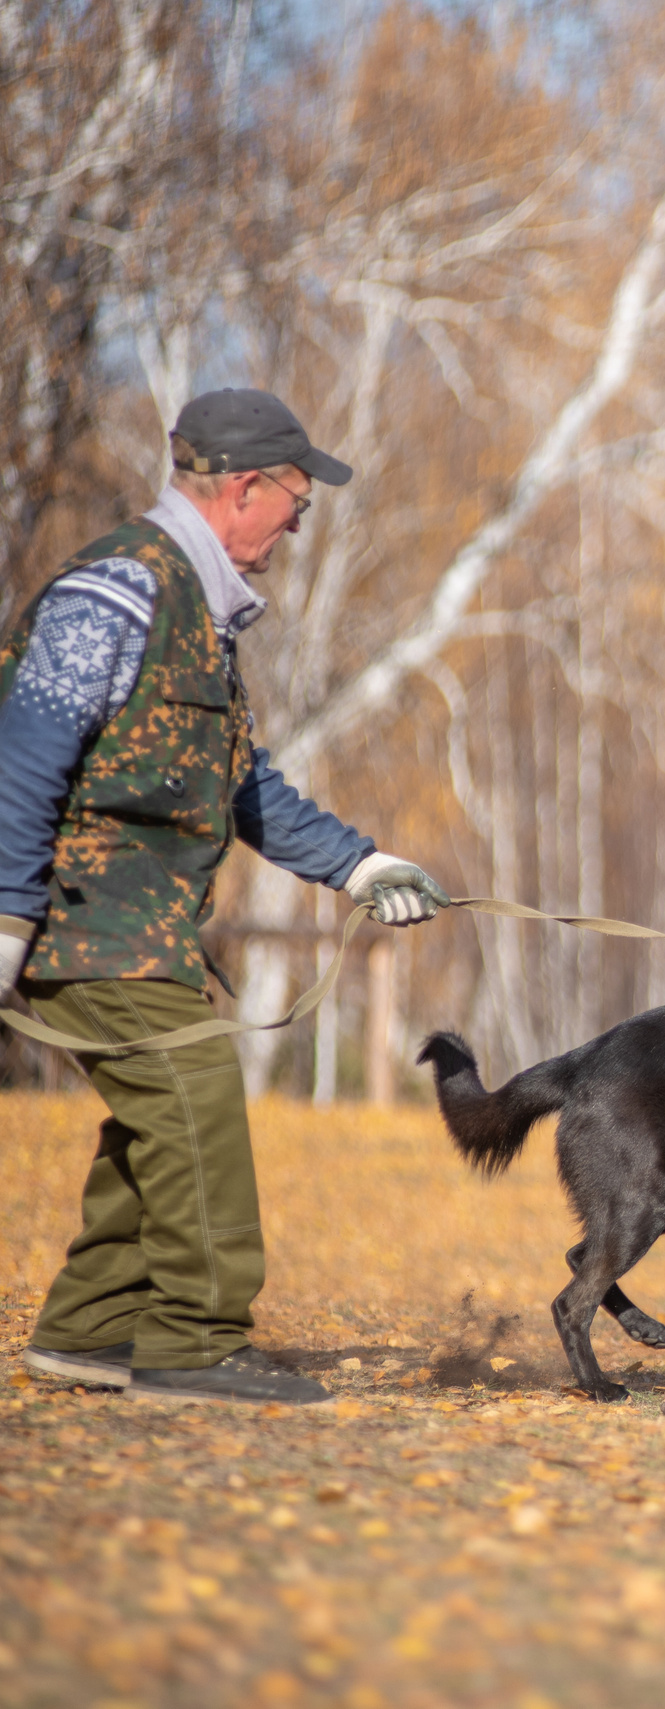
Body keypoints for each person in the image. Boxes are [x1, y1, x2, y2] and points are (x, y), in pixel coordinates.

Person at [0, 388, 449, 1407]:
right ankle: (193, 1338)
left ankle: (92, 1325)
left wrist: (362, 867)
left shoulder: (198, 613)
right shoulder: (115, 591)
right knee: (195, 1093)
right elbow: (22, 760)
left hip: (138, 929)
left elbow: (243, 786)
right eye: (298, 499)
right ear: (246, 488)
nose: (300, 522)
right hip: (82, 918)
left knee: (155, 1111)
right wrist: (7, 915)